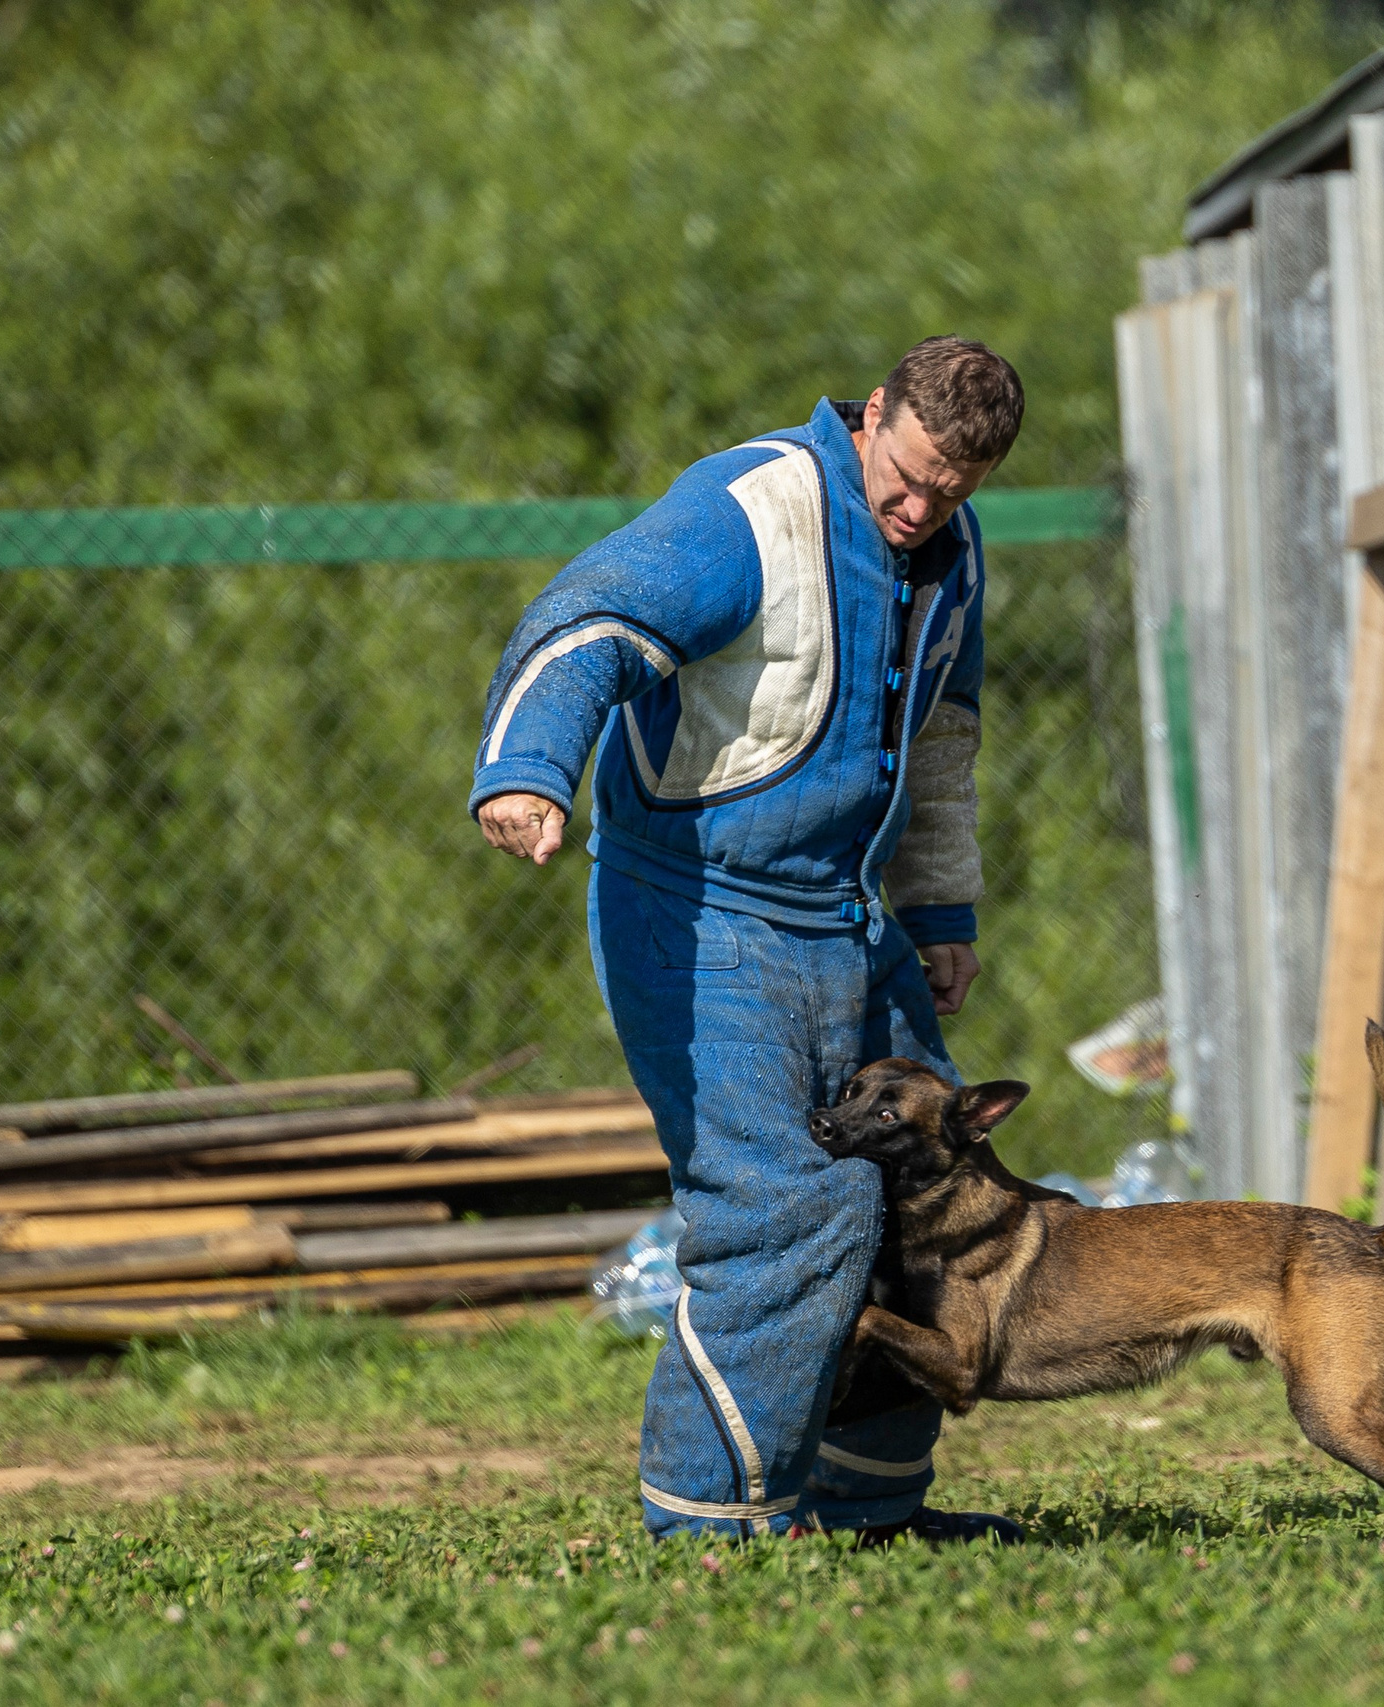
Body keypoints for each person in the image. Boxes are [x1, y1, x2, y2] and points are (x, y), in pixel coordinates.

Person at [470, 336, 1025, 1543]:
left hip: (848, 916)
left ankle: (867, 1505)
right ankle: (709, 1525)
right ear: (872, 413)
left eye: (952, 494)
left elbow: (941, 738)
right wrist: (528, 768)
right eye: (908, 477)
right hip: (700, 909)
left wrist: (939, 912)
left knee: (924, 1197)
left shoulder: (952, 549)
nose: (919, 511)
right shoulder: (749, 507)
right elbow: (589, 619)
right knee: (782, 1208)